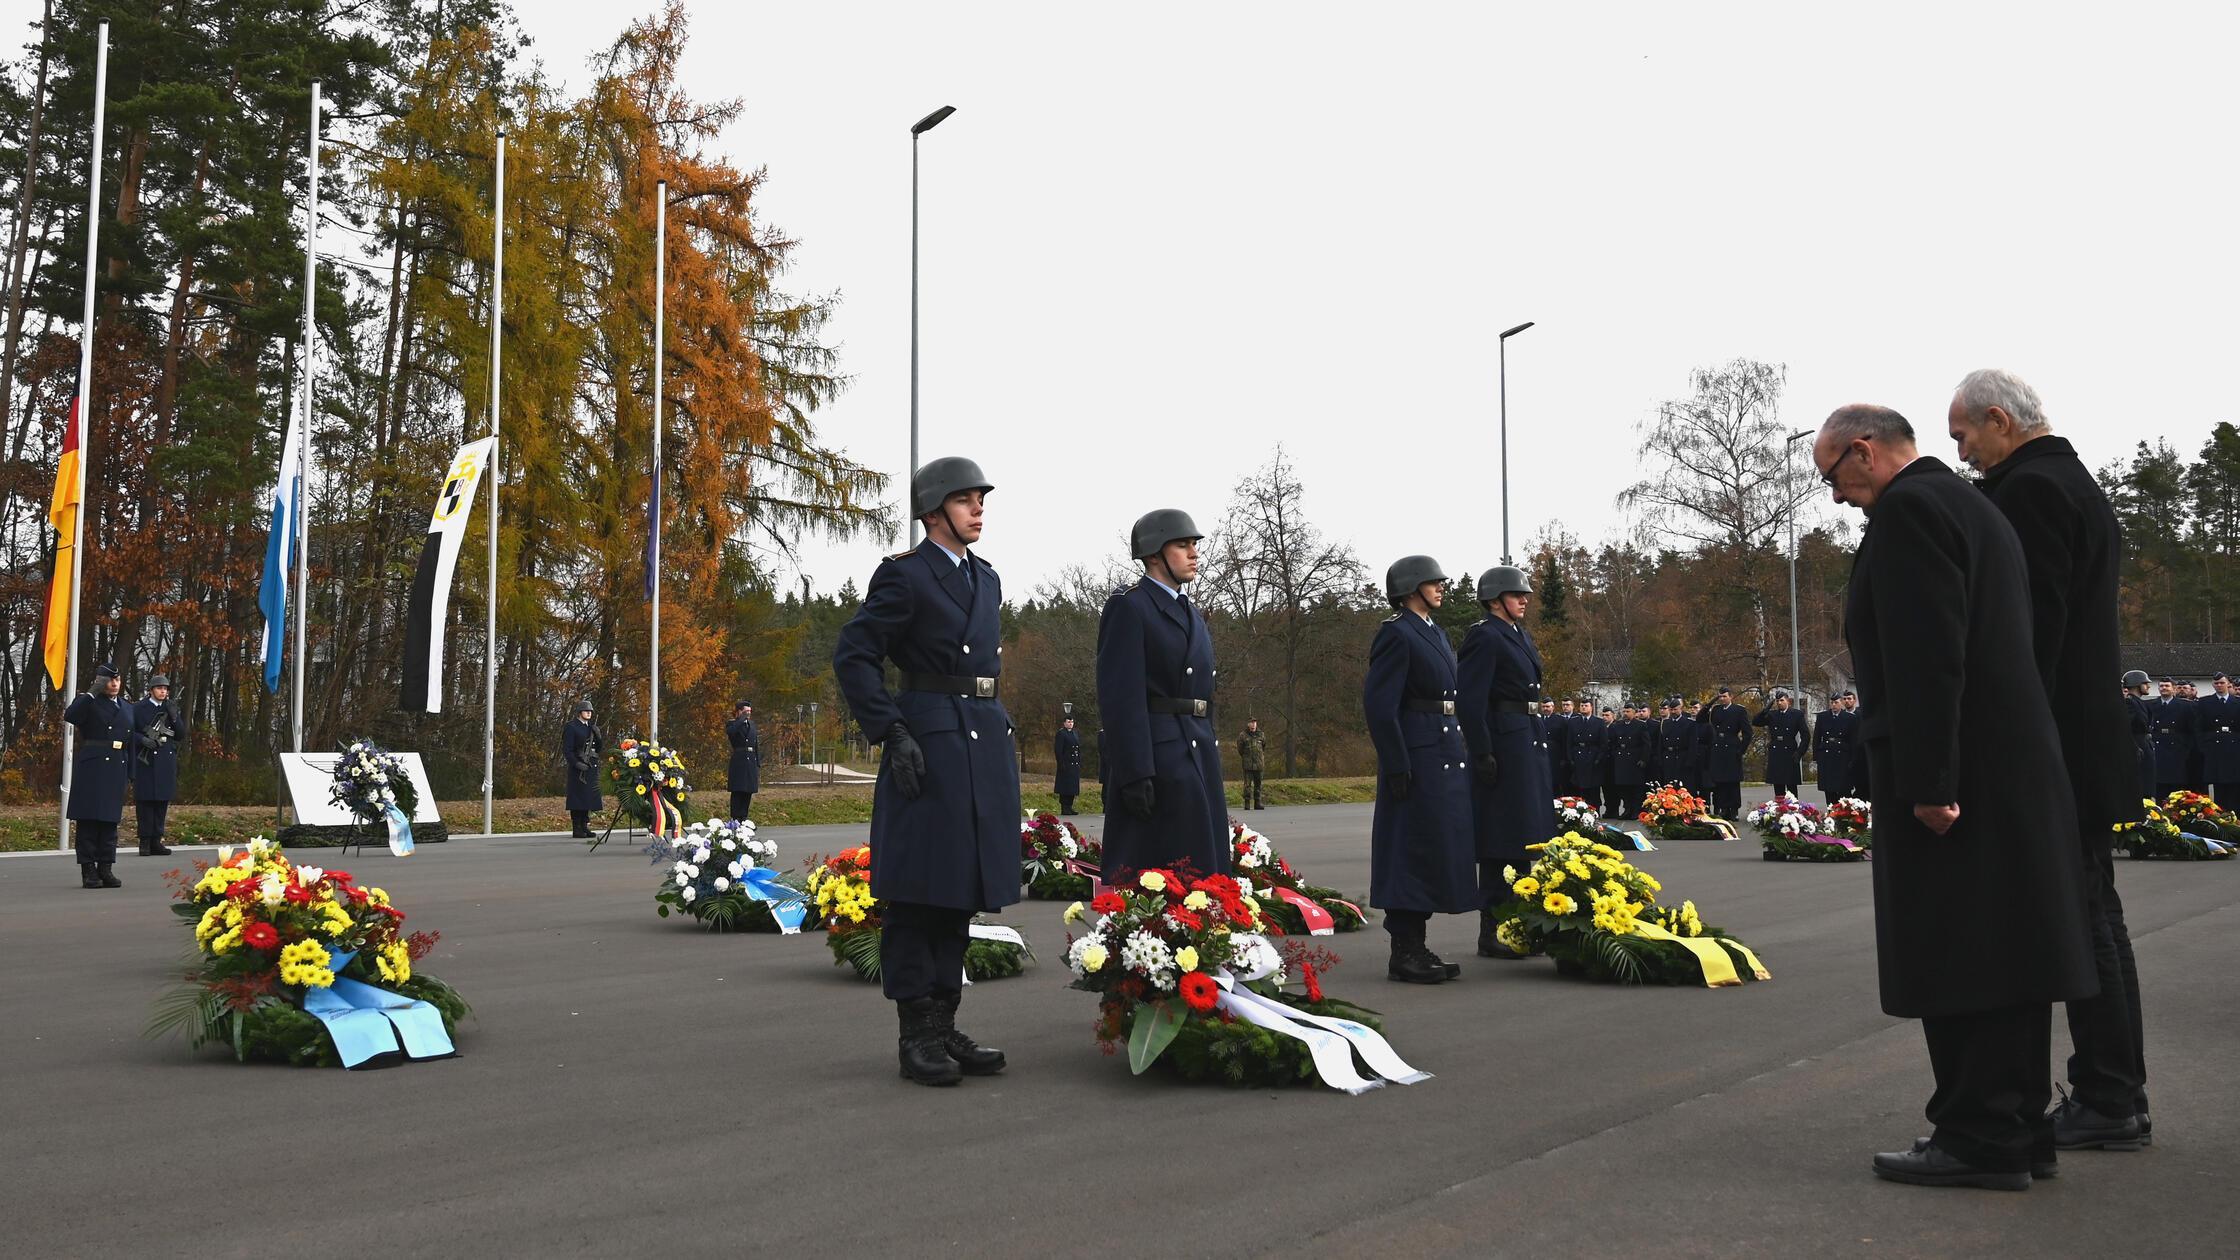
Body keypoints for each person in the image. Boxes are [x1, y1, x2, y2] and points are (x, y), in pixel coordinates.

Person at [1818, 402, 2093, 1191]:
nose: (1836, 496)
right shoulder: (1974, 505)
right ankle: (2012, 1127)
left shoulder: (1909, 515)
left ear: (1864, 452)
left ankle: (1976, 1135)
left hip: (1956, 779)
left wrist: (1930, 783)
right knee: (2008, 954)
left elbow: (1927, 659)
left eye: (1833, 476)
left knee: (1960, 953)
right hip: (2007, 767)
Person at [1954, 367, 2154, 1151]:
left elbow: (2025, 636)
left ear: (2000, 420)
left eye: (1964, 435)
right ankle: (2113, 1089)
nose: (1963, 454)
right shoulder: (2071, 481)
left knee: (2083, 918)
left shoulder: (2032, 491)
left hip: (2055, 744)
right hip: (2080, 735)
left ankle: (2110, 1095)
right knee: (2093, 912)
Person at [832, 456, 1017, 1087]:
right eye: (966, 500)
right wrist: (891, 729)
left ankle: (945, 1023)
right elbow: (854, 656)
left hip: (981, 746)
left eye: (981, 500)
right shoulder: (905, 577)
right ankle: (916, 1033)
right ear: (934, 510)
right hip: (928, 743)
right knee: (918, 892)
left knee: (959, 891)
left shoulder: (986, 579)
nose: (978, 509)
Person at [1096, 508, 1228, 881]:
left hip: (1197, 751)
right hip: (1159, 756)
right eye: (1182, 545)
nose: (1193, 553)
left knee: (1206, 877)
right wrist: (1134, 773)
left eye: (1194, 545)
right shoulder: (1130, 606)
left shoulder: (1191, 612)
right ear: (1154, 554)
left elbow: (1205, 694)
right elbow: (1121, 697)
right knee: (1166, 877)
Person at [1364, 556, 1478, 984]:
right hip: (1415, 752)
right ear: (1412, 587)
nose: (1442, 587)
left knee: (1435, 847)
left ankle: (1418, 943)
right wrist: (1395, 761)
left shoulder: (1435, 631)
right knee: (1410, 848)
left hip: (1443, 748)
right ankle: (1404, 949)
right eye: (1433, 582)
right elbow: (1379, 705)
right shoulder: (1396, 633)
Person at [1458, 564, 1552, 961]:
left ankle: (1518, 924)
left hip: (1526, 737)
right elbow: (1470, 701)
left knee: (1524, 838)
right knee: (1501, 840)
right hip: (1503, 742)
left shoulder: (1518, 634)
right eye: (1517, 595)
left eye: (1525, 595)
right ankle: (1492, 929)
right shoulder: (1485, 636)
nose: (1524, 600)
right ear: (1495, 600)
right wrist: (1482, 751)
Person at [65, 663, 133, 888]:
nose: (114, 684)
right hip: (93, 767)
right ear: (100, 682)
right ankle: (88, 870)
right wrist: (92, 692)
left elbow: (129, 742)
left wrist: (130, 772)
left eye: (117, 680)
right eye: (109, 680)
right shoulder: (89, 702)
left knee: (109, 821)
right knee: (89, 819)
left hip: (116, 766)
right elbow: (71, 716)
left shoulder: (126, 707)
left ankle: (106, 867)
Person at [131, 671, 184, 856]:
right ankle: (144, 841)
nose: (163, 692)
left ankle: (156, 840)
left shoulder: (170, 708)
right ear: (151, 690)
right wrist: (142, 740)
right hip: (145, 760)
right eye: (159, 688)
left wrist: (174, 717)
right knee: (145, 802)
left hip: (164, 760)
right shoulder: (138, 708)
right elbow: (129, 731)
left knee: (161, 801)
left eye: (165, 689)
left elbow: (180, 734)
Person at [1700, 687, 1751, 819]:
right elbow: (1700, 719)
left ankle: (1733, 809)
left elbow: (1747, 732)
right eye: (1720, 697)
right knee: (1720, 781)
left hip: (1732, 748)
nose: (1722, 699)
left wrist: (1741, 750)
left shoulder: (1739, 710)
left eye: (1724, 696)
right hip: (1718, 747)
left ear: (1731, 697)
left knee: (1732, 782)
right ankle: (1723, 808)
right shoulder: (1716, 710)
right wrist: (1709, 704)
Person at [562, 700, 603, 838]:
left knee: (588, 798)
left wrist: (599, 737)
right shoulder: (571, 727)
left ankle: (585, 826)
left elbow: (598, 749)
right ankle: (577, 827)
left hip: (590, 766)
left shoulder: (591, 728)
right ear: (579, 712)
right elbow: (568, 750)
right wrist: (576, 763)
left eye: (590, 711)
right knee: (577, 798)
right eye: (586, 711)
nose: (589, 713)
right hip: (578, 768)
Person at [1753, 690, 1806, 799]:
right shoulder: (1772, 715)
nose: (1779, 703)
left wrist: (1799, 753)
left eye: (1782, 700)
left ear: (1788, 701)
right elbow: (1755, 722)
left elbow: (1806, 736)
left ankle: (1793, 811)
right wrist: (1764, 711)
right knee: (1778, 786)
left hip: (1790, 753)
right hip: (1776, 751)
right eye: (1777, 701)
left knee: (1791, 787)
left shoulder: (1796, 714)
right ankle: (1780, 810)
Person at [2148, 680, 2193, 800]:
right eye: (2161, 686)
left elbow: (2191, 730)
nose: (2164, 688)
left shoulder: (2186, 705)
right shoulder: (2150, 704)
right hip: (2158, 747)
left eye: (2167, 686)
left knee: (2177, 791)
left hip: (2177, 748)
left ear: (2174, 688)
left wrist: (2186, 749)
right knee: (2160, 788)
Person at [2201, 673, 2239, 805]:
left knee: (2234, 787)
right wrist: (2204, 746)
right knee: (2218, 786)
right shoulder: (2204, 702)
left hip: (2234, 748)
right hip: (2214, 747)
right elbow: (2198, 727)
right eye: (2216, 683)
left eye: (2222, 683)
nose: (2219, 686)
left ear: (2228, 684)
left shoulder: (2237, 702)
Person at [1607, 701, 1649, 819]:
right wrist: (1615, 755)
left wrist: (1643, 759)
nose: (1625, 713)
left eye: (1628, 711)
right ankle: (1627, 808)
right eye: (1624, 711)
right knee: (1623, 787)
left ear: (1634, 712)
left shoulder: (1640, 725)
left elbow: (1646, 744)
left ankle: (1635, 810)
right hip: (1621, 759)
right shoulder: (1617, 725)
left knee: (1635, 787)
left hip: (1635, 759)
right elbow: (1612, 742)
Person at [1813, 695, 1854, 803]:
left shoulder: (1849, 717)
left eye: (1836, 702)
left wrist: (1853, 758)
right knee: (1829, 789)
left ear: (1841, 703)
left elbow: (1853, 739)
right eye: (1832, 703)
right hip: (1826, 754)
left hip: (1842, 755)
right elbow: (1817, 737)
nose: (1834, 705)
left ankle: (1845, 816)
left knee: (1843, 789)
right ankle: (1831, 813)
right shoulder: (1822, 716)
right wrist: (1816, 756)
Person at [2123, 671, 2157, 800]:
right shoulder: (2130, 703)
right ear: (2137, 684)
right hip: (2139, 747)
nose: (2148, 686)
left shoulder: (2139, 703)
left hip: (2145, 745)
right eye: (2145, 683)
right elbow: (2126, 728)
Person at [725, 701, 760, 822]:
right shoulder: (732, 723)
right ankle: (735, 818)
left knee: (748, 791)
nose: (748, 714)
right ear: (739, 711)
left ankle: (744, 817)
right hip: (739, 761)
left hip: (750, 761)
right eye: (746, 712)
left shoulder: (752, 724)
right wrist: (741, 718)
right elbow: (731, 732)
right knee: (738, 791)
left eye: (750, 712)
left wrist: (757, 762)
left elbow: (755, 744)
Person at [1235, 717, 1267, 811]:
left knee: (1258, 784)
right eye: (1251, 722)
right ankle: (1247, 803)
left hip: (1259, 763)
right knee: (1247, 785)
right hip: (1248, 764)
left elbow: (1263, 746)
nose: (1253, 724)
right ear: (1248, 724)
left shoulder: (1261, 734)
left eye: (1255, 722)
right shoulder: (1243, 735)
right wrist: (1246, 757)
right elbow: (1240, 749)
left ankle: (1257, 803)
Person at [1053, 717, 1083, 815]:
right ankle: (1064, 807)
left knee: (1072, 787)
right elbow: (1058, 750)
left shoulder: (1075, 733)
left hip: (1074, 764)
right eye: (1068, 722)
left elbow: (1078, 749)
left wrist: (1079, 762)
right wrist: (1061, 763)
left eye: (1072, 722)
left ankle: (1070, 807)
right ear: (1064, 723)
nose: (1071, 723)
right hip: (1066, 764)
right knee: (1065, 787)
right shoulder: (1061, 734)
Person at [1540, 699, 1567, 795]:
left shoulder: (1560, 720)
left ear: (1553, 707)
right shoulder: (1538, 719)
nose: (1545, 709)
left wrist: (1564, 758)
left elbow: (1565, 740)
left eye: (1548, 706)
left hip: (1555, 755)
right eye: (1543, 707)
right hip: (1541, 754)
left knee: (1555, 782)